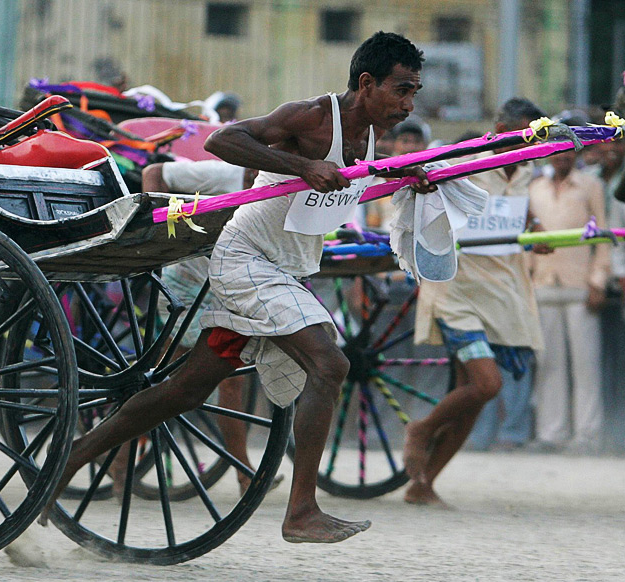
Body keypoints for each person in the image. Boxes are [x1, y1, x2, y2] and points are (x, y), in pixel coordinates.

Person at [45, 31, 431, 543]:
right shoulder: (315, 116)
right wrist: (303, 165)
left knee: (183, 391)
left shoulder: (369, 137)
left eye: (412, 93)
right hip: (246, 259)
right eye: (401, 91)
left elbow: (348, 188)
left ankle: (72, 457)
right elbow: (220, 140)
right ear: (366, 83)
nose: (408, 104)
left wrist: (407, 178)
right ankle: (301, 511)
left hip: (285, 269)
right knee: (330, 363)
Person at [410, 98, 549, 504]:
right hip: (458, 294)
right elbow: (432, 191)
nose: (523, 143)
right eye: (518, 134)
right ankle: (420, 430)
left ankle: (423, 484)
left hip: (503, 294)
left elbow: (515, 213)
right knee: (487, 384)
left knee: (471, 396)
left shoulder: (527, 171)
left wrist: (536, 228)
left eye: (532, 136)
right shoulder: (470, 161)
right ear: (499, 127)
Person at [140, 160, 272, 494]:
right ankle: (245, 474)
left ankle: (244, 473)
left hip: (221, 290)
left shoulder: (274, 190)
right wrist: (166, 230)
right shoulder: (219, 175)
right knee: (166, 378)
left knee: (197, 380)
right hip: (185, 284)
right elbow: (154, 172)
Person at [529, 150, 609, 454]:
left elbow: (602, 234)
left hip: (580, 285)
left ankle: (588, 436)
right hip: (544, 283)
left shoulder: (590, 185)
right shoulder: (535, 187)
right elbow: (529, 238)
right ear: (547, 155)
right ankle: (552, 433)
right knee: (548, 364)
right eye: (555, 151)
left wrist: (598, 280)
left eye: (567, 150)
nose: (561, 156)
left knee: (586, 365)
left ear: (575, 153)